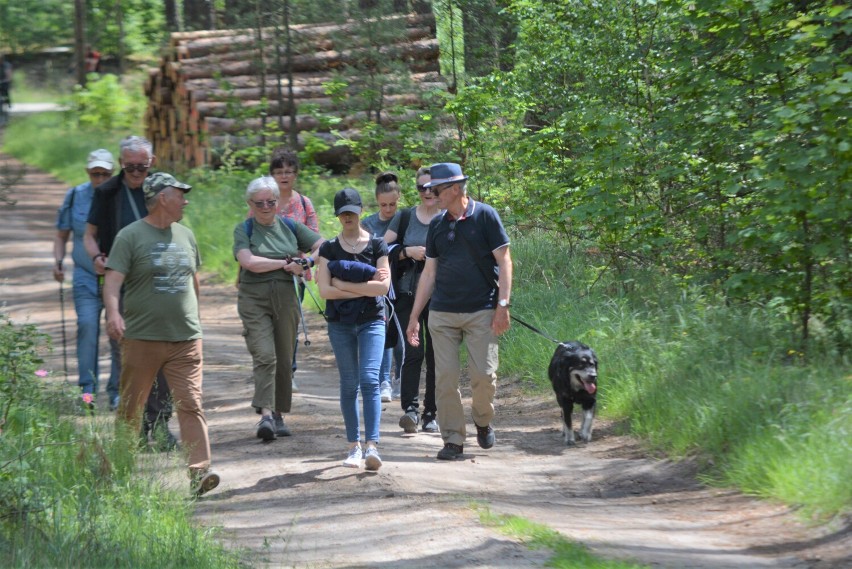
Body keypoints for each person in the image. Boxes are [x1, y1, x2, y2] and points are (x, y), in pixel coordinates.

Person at [103, 172, 219, 496]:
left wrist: (195, 320)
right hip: (142, 338)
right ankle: (121, 474)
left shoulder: (186, 234)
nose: (186, 200)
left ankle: (199, 474)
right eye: (180, 194)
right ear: (162, 198)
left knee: (191, 403)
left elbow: (193, 280)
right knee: (131, 406)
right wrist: (113, 314)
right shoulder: (130, 236)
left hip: (185, 339)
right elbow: (112, 281)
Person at [405, 163, 513, 460]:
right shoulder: (437, 225)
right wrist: (415, 316)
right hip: (442, 314)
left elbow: (504, 262)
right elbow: (429, 273)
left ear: (454, 189)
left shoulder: (486, 216)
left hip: (482, 311)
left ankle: (482, 419)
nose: (432, 194)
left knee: (483, 376)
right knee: (445, 378)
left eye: (436, 189)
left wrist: (503, 305)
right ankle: (452, 439)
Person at [84, 135, 177, 450]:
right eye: (130, 166)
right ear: (121, 163)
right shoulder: (108, 191)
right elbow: (89, 235)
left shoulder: (163, 187)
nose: (136, 172)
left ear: (151, 163)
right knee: (130, 357)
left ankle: (161, 424)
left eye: (142, 166)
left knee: (165, 356)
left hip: (161, 283)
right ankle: (133, 429)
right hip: (122, 283)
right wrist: (97, 257)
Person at [234, 176, 323, 441]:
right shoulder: (245, 229)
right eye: (259, 203)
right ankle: (265, 415)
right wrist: (285, 262)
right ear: (251, 204)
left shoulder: (290, 226)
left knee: (284, 358)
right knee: (265, 355)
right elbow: (248, 261)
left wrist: (306, 263)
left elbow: (323, 245)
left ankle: (279, 414)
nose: (265, 207)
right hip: (254, 299)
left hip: (286, 297)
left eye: (270, 202)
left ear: (276, 202)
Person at [317, 188, 390, 470]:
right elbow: (324, 291)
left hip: (372, 320)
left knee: (370, 380)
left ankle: (372, 446)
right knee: (350, 384)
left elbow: (383, 287)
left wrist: (343, 285)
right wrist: (363, 289)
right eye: (343, 212)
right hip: (340, 324)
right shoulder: (328, 249)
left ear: (360, 211)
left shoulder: (378, 245)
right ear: (337, 215)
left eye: (352, 211)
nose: (348, 216)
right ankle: (353, 447)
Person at [53, 149, 121, 410]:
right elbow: (61, 235)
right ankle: (87, 392)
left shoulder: (120, 195)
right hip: (84, 275)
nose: (100, 178)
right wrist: (58, 262)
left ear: (113, 173)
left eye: (105, 173)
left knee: (118, 332)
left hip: (117, 276)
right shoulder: (75, 196)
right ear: (87, 172)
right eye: (96, 173)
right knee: (87, 327)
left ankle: (117, 391)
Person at [384, 166, 442, 434]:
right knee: (413, 352)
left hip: (441, 296)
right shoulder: (405, 217)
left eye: (432, 187)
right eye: (422, 188)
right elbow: (380, 246)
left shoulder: (448, 217)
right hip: (407, 294)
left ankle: (431, 413)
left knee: (436, 355)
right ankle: (410, 410)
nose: (427, 192)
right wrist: (407, 252)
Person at [267, 147, 319, 392]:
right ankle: (269, 370)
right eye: (279, 172)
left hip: (296, 276)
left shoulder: (304, 203)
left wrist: (307, 263)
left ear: (296, 174)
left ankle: (289, 372)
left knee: (290, 324)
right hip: (266, 273)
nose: (284, 176)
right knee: (268, 324)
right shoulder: (264, 201)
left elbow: (316, 241)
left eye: (289, 171)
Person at [360, 171, 402, 403]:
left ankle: (401, 378)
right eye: (384, 205)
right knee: (383, 330)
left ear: (399, 200)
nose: (388, 209)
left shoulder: (405, 218)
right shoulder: (368, 223)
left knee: (403, 331)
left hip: (404, 282)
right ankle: (384, 379)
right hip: (379, 284)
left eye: (392, 204)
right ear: (377, 202)